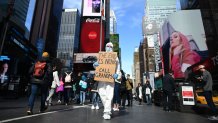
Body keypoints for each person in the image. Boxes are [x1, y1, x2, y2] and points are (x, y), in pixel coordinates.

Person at [93, 42, 120, 120]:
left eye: (110, 46)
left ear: (112, 48)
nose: (108, 48)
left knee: (109, 94)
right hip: (101, 79)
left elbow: (118, 67)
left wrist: (117, 74)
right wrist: (95, 65)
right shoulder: (102, 56)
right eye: (107, 46)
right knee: (101, 92)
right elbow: (98, 66)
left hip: (110, 78)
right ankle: (107, 108)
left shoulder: (115, 57)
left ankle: (107, 111)